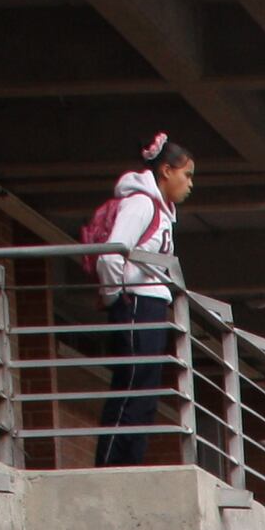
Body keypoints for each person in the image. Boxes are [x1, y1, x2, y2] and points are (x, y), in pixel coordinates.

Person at [85, 134, 194, 466]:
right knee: (132, 386)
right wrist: (116, 297)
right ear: (165, 171)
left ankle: (129, 464)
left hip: (149, 304)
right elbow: (110, 254)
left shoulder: (161, 210)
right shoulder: (142, 203)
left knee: (144, 395)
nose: (190, 184)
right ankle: (111, 467)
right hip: (135, 304)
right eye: (186, 174)